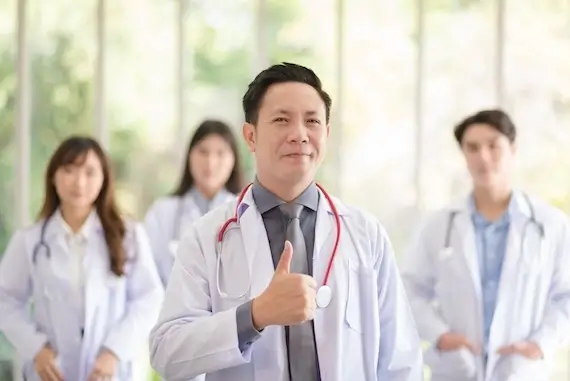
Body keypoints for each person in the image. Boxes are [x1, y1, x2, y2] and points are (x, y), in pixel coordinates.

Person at [148, 62, 423, 381]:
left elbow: (400, 362)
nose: (299, 135)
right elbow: (166, 352)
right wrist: (255, 315)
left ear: (327, 134)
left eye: (312, 121)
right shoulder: (207, 236)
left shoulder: (365, 233)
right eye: (281, 120)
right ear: (250, 136)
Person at [401, 109, 570, 381]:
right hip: (457, 370)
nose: (483, 157)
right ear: (464, 156)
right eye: (473, 148)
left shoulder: (550, 225)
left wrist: (540, 344)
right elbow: (409, 290)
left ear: (512, 149)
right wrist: (440, 335)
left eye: (494, 146)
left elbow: (566, 296)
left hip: (520, 370)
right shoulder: (438, 225)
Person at [0, 136, 164, 381]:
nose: (79, 182)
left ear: (104, 180)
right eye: (68, 170)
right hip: (50, 370)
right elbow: (6, 301)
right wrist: (36, 349)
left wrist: (114, 352)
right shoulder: (30, 240)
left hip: (111, 372)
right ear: (53, 177)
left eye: (89, 172)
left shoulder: (128, 235)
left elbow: (149, 298)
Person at [144, 119, 244, 286]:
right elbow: (147, 279)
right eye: (203, 152)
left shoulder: (245, 211)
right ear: (190, 156)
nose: (210, 162)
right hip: (172, 309)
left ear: (233, 160)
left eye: (220, 153)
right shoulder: (162, 212)